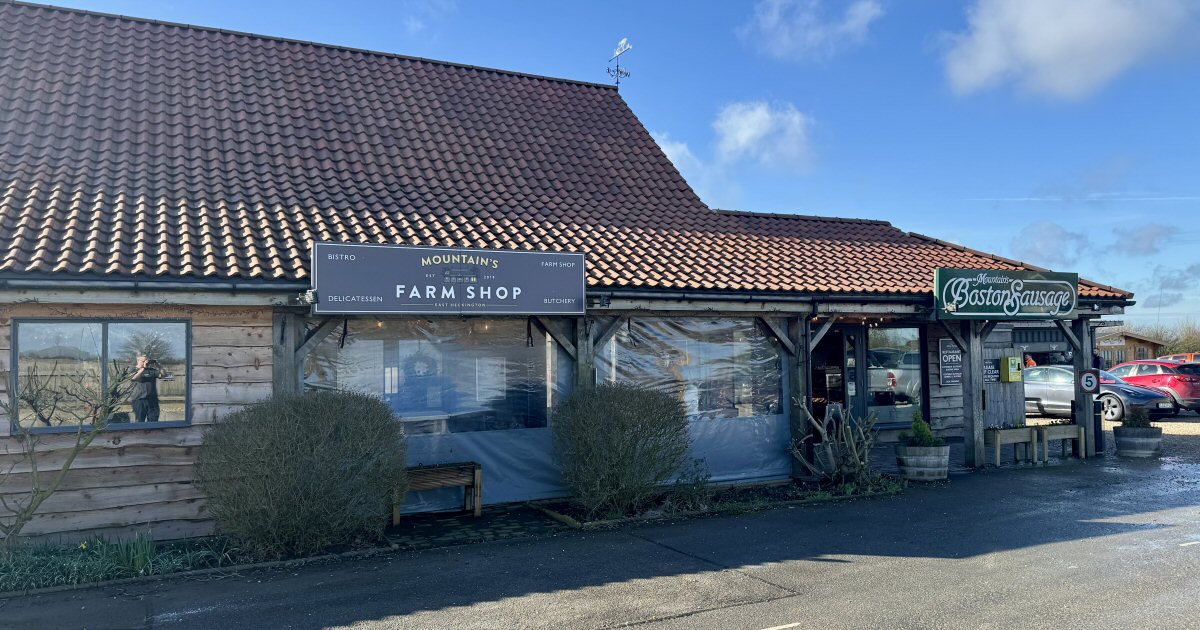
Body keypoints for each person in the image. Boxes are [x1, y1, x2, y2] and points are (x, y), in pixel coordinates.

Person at [130, 354, 162, 422]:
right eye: (144, 361)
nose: (146, 362)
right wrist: (143, 369)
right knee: (139, 421)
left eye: (147, 360)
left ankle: (152, 432)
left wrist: (158, 365)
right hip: (139, 399)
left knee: (153, 420)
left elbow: (164, 375)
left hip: (152, 399)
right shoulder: (133, 369)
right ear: (138, 361)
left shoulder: (152, 370)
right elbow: (133, 378)